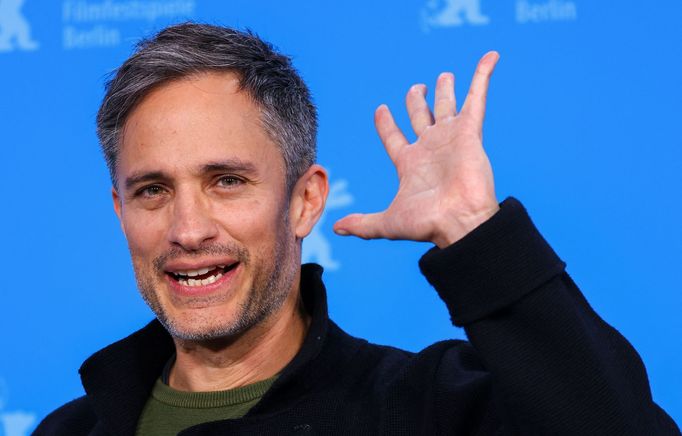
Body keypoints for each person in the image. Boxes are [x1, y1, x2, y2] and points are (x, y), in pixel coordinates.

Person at [35, 23, 679, 435]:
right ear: (120, 212)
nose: (187, 228)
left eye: (227, 181)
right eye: (152, 190)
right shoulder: (68, 430)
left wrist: (476, 233)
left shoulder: (431, 409)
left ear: (305, 201)